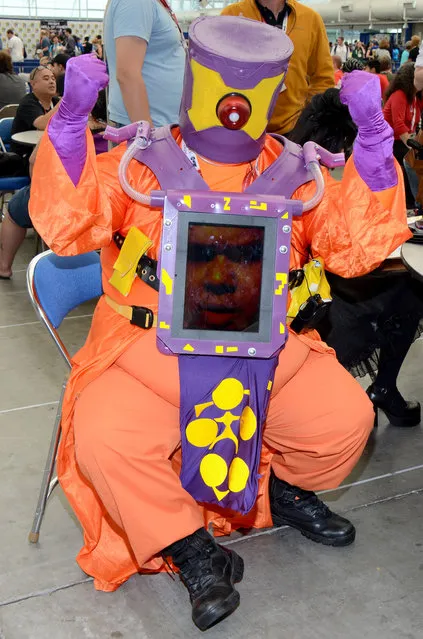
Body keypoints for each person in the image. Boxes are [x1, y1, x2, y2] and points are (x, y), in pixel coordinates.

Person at [29, 18, 410, 630]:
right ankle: (187, 546)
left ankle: (277, 491)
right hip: (146, 350)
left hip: (268, 352)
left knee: (345, 420)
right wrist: (71, 132)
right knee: (104, 436)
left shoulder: (295, 172)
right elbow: (70, 222)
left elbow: (352, 249)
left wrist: (372, 150)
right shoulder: (138, 163)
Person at [289, 87, 422, 427]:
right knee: (410, 293)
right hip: (319, 300)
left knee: (408, 292)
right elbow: (352, 253)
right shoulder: (318, 181)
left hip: (315, 291)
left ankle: (381, 387)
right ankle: (378, 388)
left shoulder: (290, 165)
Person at [220, 0, 334, 135]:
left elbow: (323, 79)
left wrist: (308, 120)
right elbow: (217, 74)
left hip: (294, 129)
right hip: (240, 126)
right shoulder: (230, 15)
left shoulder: (311, 19)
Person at [104, 0, 186, 128]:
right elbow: (127, 74)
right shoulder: (137, 3)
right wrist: (148, 137)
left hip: (162, 123)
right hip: (148, 127)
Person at [383, 63, 423, 209]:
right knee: (411, 160)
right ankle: (414, 204)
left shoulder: (415, 97)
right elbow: (399, 125)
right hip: (389, 142)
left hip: (403, 140)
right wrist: (415, 147)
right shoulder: (399, 95)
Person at [10, 65, 59, 163]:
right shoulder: (28, 102)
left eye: (53, 78)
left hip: (50, 150)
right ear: (33, 84)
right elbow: (41, 124)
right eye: (46, 78)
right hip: (25, 155)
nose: (51, 81)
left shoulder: (55, 101)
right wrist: (64, 102)